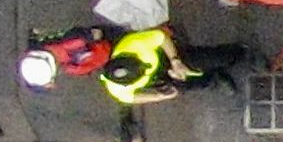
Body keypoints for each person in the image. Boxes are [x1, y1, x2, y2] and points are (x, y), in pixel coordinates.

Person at [98, 25, 230, 106]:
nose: (145, 67)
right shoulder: (116, 89)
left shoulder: (134, 44)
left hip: (165, 56)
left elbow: (161, 38)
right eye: (142, 72)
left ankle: (235, 53)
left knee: (208, 58)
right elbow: (131, 98)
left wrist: (175, 61)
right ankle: (214, 78)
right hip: (157, 79)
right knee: (186, 86)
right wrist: (160, 96)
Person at [20, 23, 115, 88]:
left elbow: (96, 34)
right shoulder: (48, 47)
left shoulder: (71, 46)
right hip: (104, 56)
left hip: (110, 46)